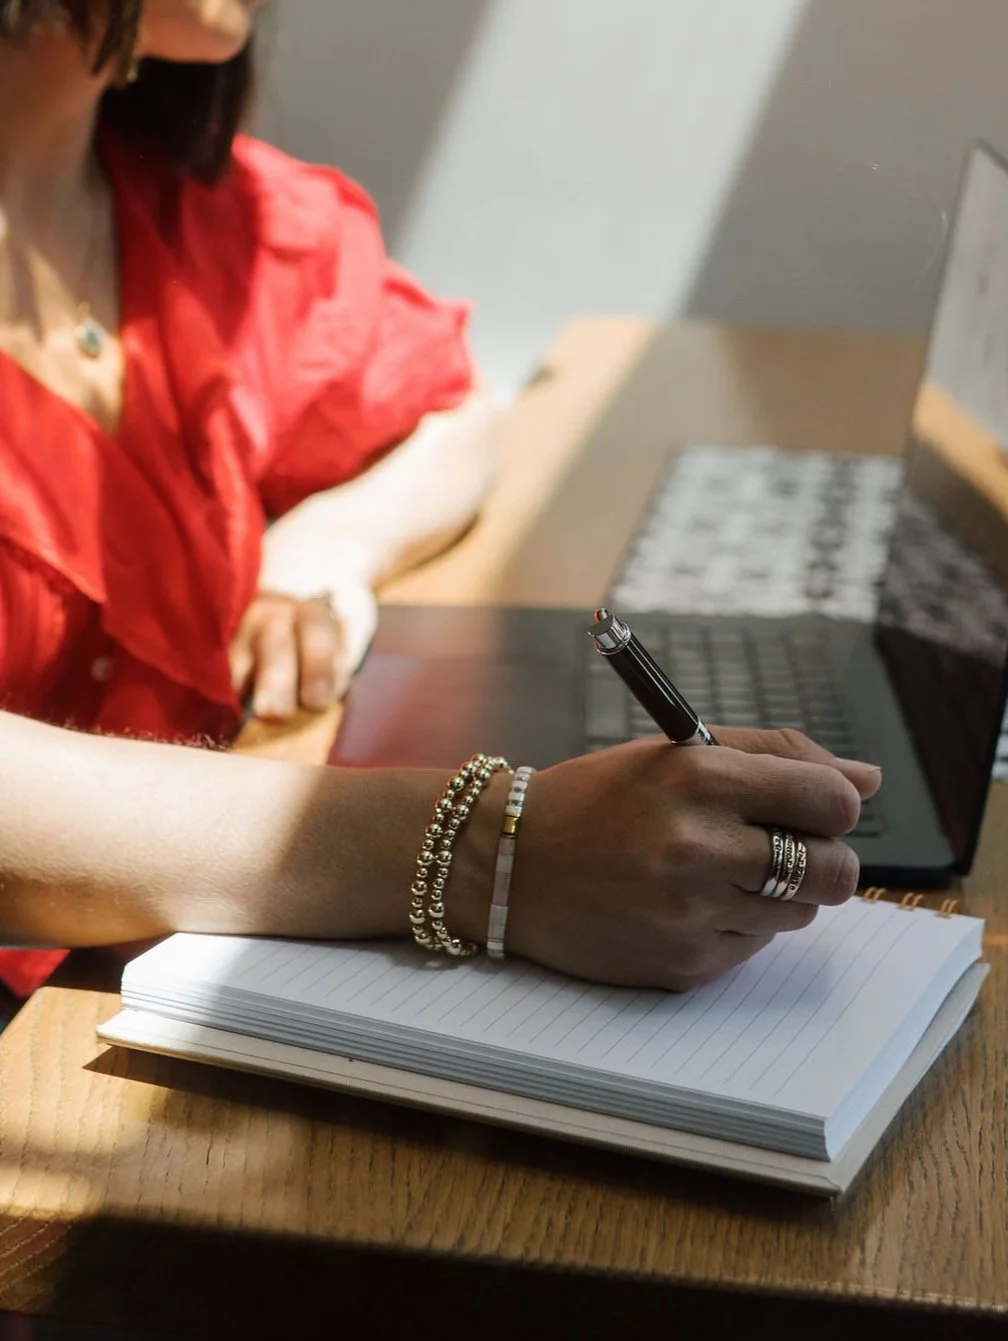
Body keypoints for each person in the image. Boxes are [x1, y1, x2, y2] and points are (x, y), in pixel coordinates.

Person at [0, 0, 879, 1025]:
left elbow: (450, 418)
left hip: (182, 951)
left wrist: (330, 545)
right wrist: (496, 851)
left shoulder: (210, 213)